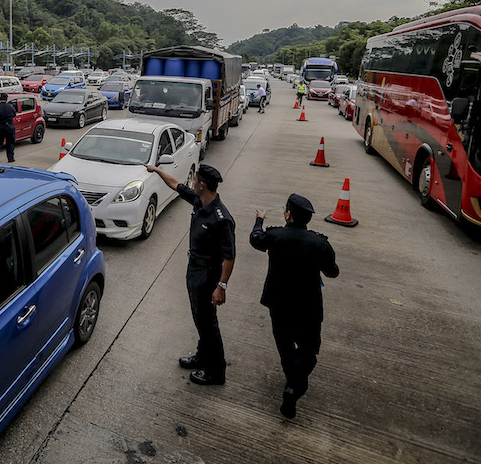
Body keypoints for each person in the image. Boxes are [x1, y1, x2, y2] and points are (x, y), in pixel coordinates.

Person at [143, 162, 235, 385]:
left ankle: (216, 372)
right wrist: (156, 170)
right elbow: (175, 184)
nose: (192, 182)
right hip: (194, 269)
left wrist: (221, 287)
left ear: (202, 185)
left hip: (208, 274)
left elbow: (230, 257)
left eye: (195, 180)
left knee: (207, 323)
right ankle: (202, 356)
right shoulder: (199, 200)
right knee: (199, 318)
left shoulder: (221, 219)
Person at [249, 194, 339, 419]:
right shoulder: (319, 242)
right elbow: (333, 272)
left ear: (288, 214)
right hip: (308, 307)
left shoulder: (275, 236)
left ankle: (293, 384)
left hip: (279, 304)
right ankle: (294, 386)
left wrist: (260, 220)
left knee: (285, 346)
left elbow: (255, 239)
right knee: (309, 350)